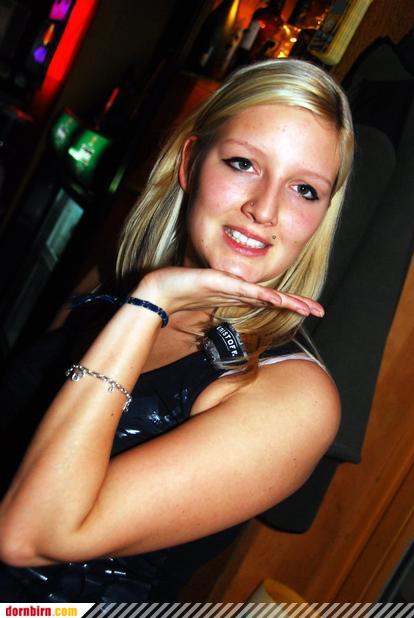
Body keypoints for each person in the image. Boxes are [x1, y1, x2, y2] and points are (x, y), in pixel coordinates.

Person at [0, 58, 354, 601]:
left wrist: (151, 306)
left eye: (304, 189)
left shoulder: (294, 398)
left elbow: (28, 537)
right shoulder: (115, 284)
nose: (264, 209)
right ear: (190, 163)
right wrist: (146, 300)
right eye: (243, 163)